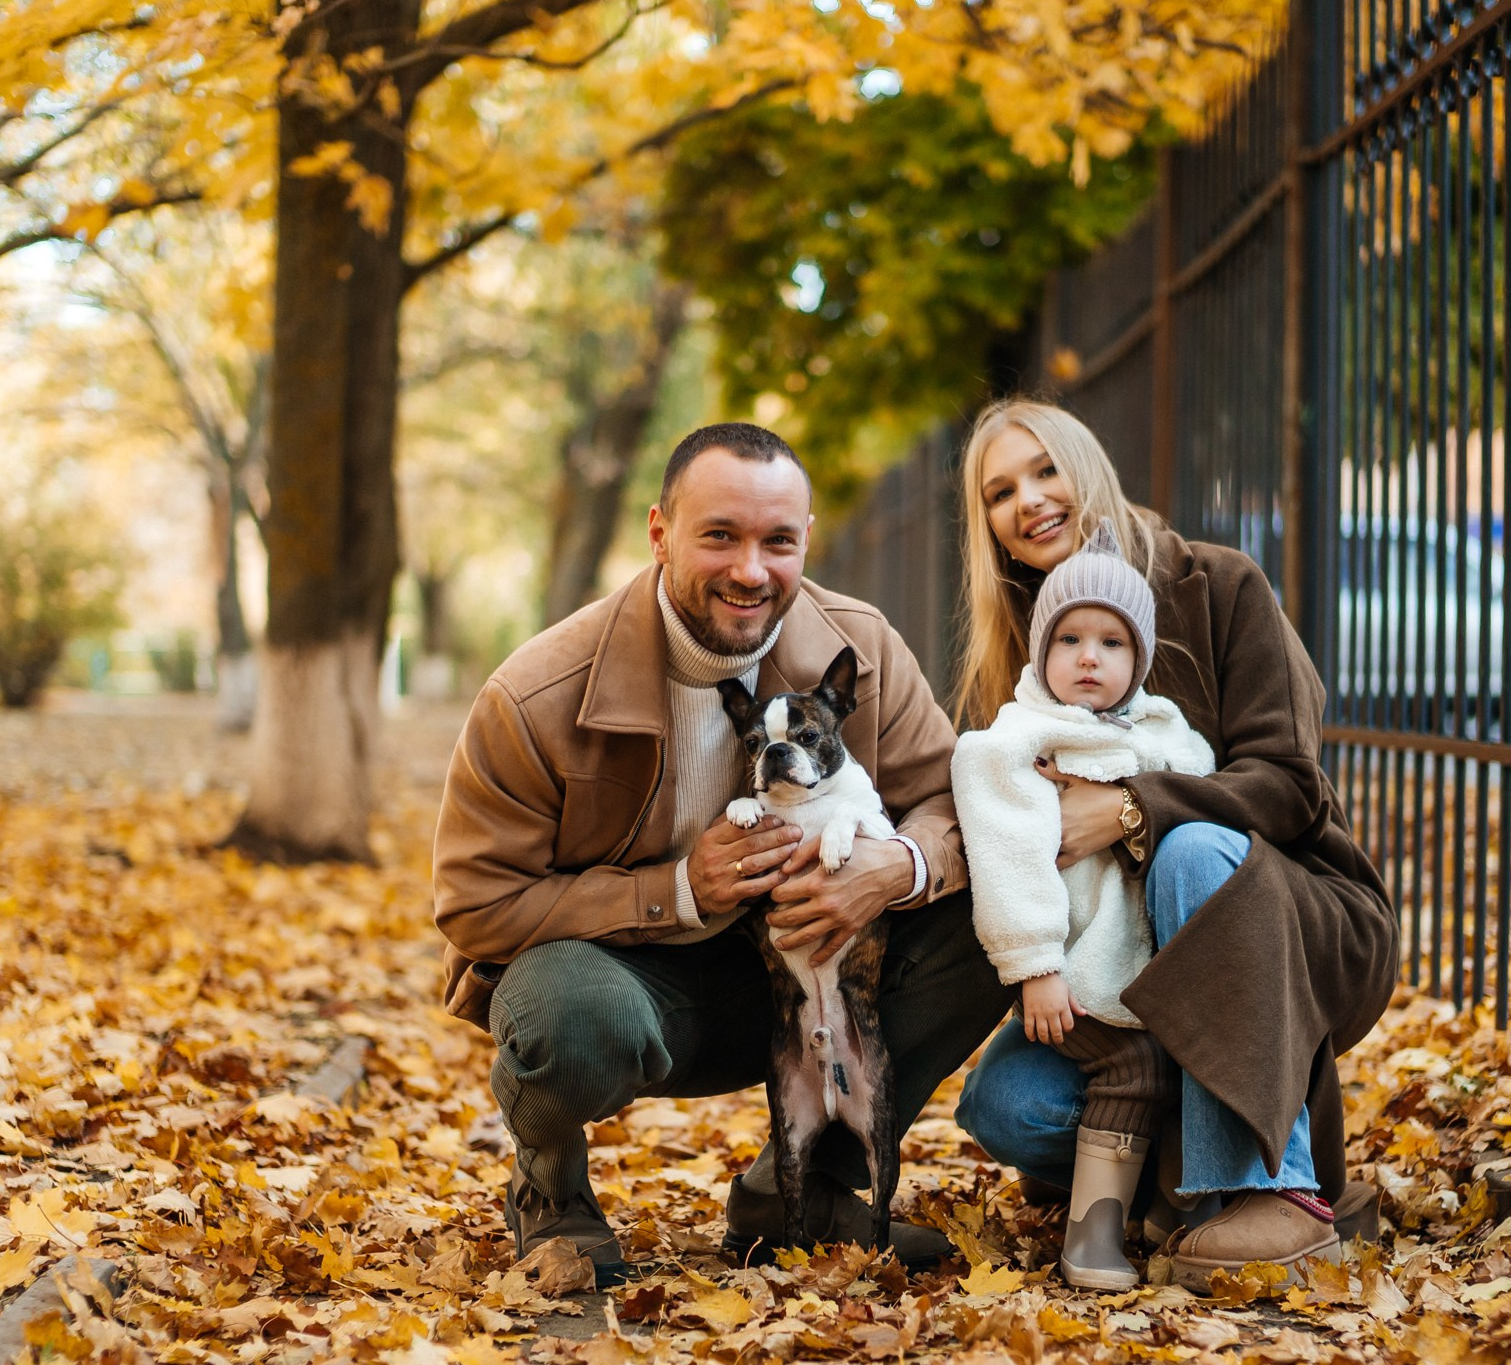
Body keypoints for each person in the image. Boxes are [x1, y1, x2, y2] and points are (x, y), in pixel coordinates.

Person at [431, 422, 1011, 1281]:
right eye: (719, 536)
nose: (750, 570)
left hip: (802, 975)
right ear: (660, 533)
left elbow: (952, 802)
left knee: (1001, 900)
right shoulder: (535, 694)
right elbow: (476, 905)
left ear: (806, 539)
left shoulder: (861, 649)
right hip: (626, 985)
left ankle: (801, 1189)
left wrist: (896, 867)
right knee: (570, 1014)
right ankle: (552, 1189)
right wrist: (675, 890)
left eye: (778, 542)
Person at [949, 400, 1398, 1287]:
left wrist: (1130, 808)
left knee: (1190, 850)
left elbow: (1289, 784)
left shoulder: (1220, 585)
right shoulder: (1025, 662)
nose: (1027, 500)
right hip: (1125, 966)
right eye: (999, 492)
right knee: (1005, 1105)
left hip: (1285, 918)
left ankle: (1276, 1190)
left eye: (1046, 470)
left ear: (1089, 466)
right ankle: (1188, 1185)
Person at [952, 537, 1215, 1290]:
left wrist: (1135, 796)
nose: (1089, 658)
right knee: (1130, 1064)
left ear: (1141, 657)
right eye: (1069, 640)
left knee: (1171, 1066)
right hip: (1069, 967)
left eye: (1112, 642)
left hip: (1149, 964)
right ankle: (1092, 1241)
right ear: (1041, 653)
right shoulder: (1014, 742)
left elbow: (1201, 780)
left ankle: (1168, 1205)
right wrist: (1034, 965)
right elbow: (1006, 861)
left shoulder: (1159, 729)